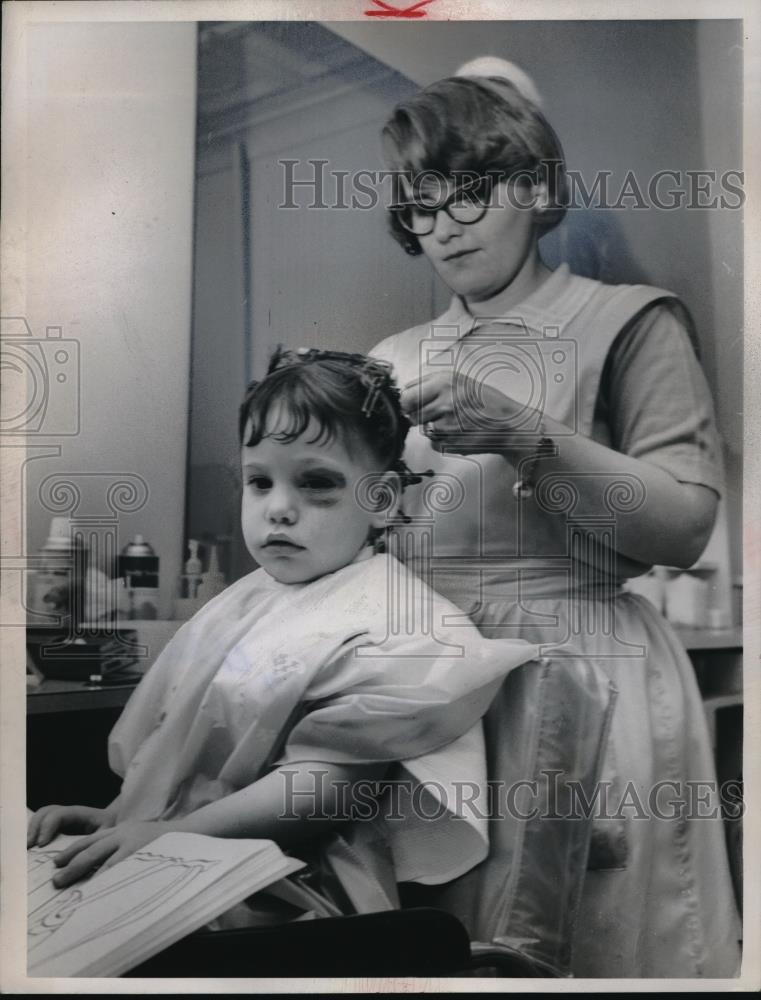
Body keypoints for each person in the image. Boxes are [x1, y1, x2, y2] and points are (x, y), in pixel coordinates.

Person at [370, 61, 741, 977]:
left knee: (594, 937)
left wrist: (522, 432)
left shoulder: (629, 321)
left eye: (468, 194)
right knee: (446, 937)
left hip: (585, 675)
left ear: (535, 188)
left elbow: (683, 525)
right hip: (434, 689)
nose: (444, 226)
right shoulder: (389, 358)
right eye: (421, 205)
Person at [26, 347, 538, 923]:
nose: (280, 509)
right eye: (260, 482)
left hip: (292, 883)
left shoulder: (398, 619)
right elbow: (185, 747)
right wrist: (119, 817)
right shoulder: (249, 601)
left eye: (317, 484)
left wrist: (170, 834)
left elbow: (326, 786)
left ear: (383, 501)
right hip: (184, 852)